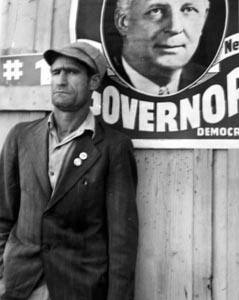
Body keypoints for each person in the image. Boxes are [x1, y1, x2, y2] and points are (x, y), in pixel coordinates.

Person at [0, 41, 138, 300]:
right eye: (56, 72)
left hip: (79, 288)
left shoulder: (113, 147)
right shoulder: (21, 137)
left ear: (94, 82)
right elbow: (2, 215)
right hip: (20, 286)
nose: (61, 80)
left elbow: (122, 242)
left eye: (72, 72)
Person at [114, 0, 210, 95]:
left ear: (204, 19)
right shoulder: (102, 77)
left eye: (188, 9)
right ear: (123, 22)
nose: (175, 28)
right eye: (155, 11)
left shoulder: (208, 79)